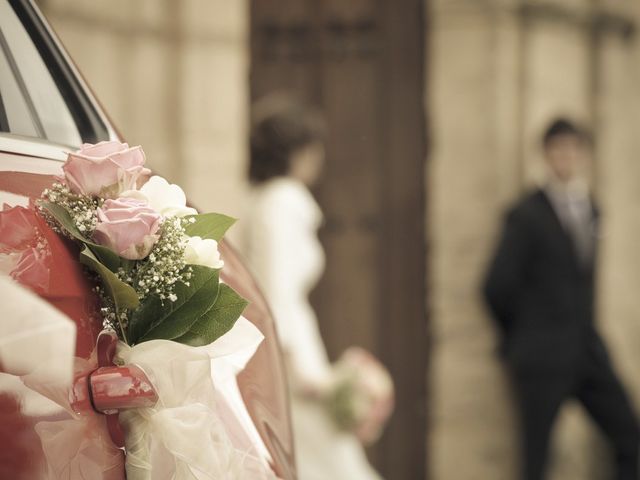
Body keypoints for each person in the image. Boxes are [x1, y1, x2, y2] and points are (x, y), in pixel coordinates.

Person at [483, 118, 640, 480]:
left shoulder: (591, 209)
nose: (565, 156)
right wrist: (519, 340)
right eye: (558, 149)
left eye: (573, 148)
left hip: (586, 351)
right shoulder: (526, 215)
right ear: (546, 155)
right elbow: (495, 287)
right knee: (536, 460)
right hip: (541, 356)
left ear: (583, 155)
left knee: (629, 435)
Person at [239, 95, 382, 480]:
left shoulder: (261, 197)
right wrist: (298, 370)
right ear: (299, 151)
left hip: (287, 344)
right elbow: (277, 290)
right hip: (291, 354)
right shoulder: (283, 201)